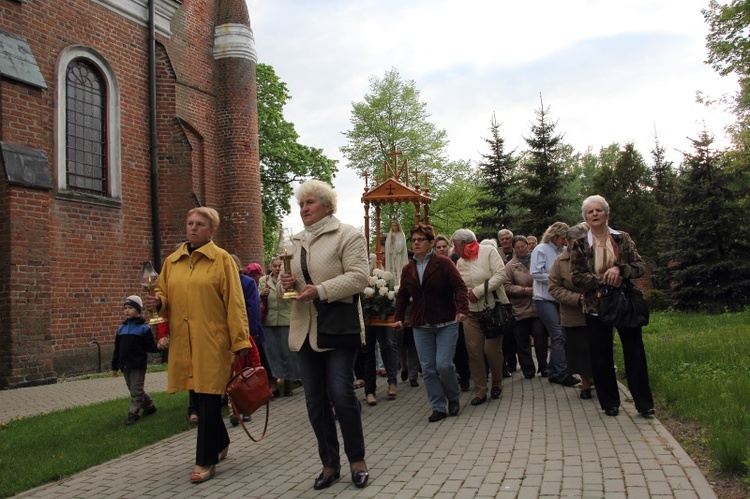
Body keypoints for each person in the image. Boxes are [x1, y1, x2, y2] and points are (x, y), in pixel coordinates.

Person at [148, 206, 252, 484]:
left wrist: (240, 339)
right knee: (200, 396)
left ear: (212, 230)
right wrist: (157, 302)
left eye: (200, 224)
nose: (193, 228)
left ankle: (204, 461)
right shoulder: (173, 261)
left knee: (207, 399)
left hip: (213, 341)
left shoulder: (222, 260)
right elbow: (162, 292)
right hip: (184, 342)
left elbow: (234, 302)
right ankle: (221, 441)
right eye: (190, 222)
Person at [279, 179, 370, 489]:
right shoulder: (294, 242)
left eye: (310, 203)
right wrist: (285, 286)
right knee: (315, 402)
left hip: (338, 329)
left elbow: (360, 277)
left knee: (342, 394)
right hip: (305, 331)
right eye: (301, 204)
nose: (304, 209)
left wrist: (320, 290)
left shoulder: (347, 234)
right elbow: (282, 285)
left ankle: (357, 460)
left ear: (327, 206)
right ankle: (329, 465)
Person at [571, 195, 655, 418]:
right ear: (586, 218)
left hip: (624, 303)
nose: (595, 214)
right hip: (595, 305)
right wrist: (603, 280)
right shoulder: (580, 244)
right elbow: (577, 278)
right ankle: (610, 403)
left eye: (599, 210)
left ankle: (644, 403)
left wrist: (619, 270)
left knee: (634, 352)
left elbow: (639, 266)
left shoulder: (622, 239)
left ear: (606, 214)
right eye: (590, 212)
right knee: (601, 355)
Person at [393, 224, 468, 423]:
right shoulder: (408, 269)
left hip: (447, 321)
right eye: (414, 240)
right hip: (421, 325)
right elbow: (402, 295)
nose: (416, 243)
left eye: (420, 240)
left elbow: (459, 287)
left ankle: (453, 396)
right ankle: (437, 406)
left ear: (431, 243)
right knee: (428, 368)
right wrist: (398, 318)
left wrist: (462, 310)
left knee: (444, 364)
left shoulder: (443, 263)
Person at [452, 228, 509, 406]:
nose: (454, 250)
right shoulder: (460, 261)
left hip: (492, 309)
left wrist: (477, 291)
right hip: (471, 313)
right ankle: (481, 389)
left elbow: (501, 275)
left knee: (491, 351)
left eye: (455, 245)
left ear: (463, 243)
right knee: (474, 351)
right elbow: (460, 285)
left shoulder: (488, 252)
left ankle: (497, 382)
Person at [531, 221, 580, 388]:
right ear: (555, 236)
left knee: (563, 335)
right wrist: (555, 279)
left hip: (559, 298)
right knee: (557, 334)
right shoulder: (541, 249)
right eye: (562, 238)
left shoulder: (564, 252)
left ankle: (554, 370)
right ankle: (561, 373)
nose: (565, 242)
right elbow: (536, 273)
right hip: (544, 299)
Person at [548, 224, 594, 399]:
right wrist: (577, 299)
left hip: (596, 311)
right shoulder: (561, 261)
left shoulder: (594, 255)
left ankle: (598, 377)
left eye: (581, 243)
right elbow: (554, 287)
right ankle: (585, 384)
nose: (578, 247)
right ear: (567, 243)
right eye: (573, 243)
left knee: (597, 347)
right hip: (573, 313)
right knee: (579, 350)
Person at [504, 236, 549, 379]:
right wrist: (523, 290)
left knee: (540, 336)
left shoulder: (536, 261)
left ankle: (543, 366)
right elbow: (507, 286)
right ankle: (528, 369)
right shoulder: (510, 266)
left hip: (537, 307)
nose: (520, 249)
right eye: (517, 247)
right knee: (522, 340)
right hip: (519, 308)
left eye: (523, 246)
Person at [111, 295, 159, 425]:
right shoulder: (121, 329)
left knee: (136, 391)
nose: (127, 310)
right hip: (124, 365)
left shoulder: (144, 328)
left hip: (138, 364)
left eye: (130, 308)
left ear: (139, 310)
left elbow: (150, 346)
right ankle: (149, 407)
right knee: (134, 389)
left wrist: (160, 346)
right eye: (125, 308)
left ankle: (133, 414)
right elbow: (117, 349)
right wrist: (114, 366)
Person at [258, 257, 299, 398]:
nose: (276, 268)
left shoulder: (288, 279)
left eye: (279, 266)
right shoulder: (263, 280)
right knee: (271, 354)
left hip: (285, 320)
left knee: (287, 354)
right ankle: (273, 385)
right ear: (270, 267)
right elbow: (257, 297)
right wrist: (261, 294)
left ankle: (288, 384)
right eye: (274, 266)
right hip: (269, 322)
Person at [437, 233, 470, 391]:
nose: (442, 249)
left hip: (457, 308)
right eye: (439, 247)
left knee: (460, 345)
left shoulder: (457, 261)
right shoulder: (433, 265)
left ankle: (465, 376)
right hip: (441, 310)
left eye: (444, 246)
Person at [384, 220, 408, 285]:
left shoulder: (401, 235)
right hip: (392, 256)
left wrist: (394, 241)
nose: (394, 227)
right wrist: (391, 242)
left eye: (395, 226)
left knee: (398, 270)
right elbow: (387, 246)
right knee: (392, 270)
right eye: (392, 226)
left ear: (398, 226)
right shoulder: (390, 235)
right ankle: (392, 284)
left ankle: (399, 284)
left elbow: (401, 247)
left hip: (399, 256)